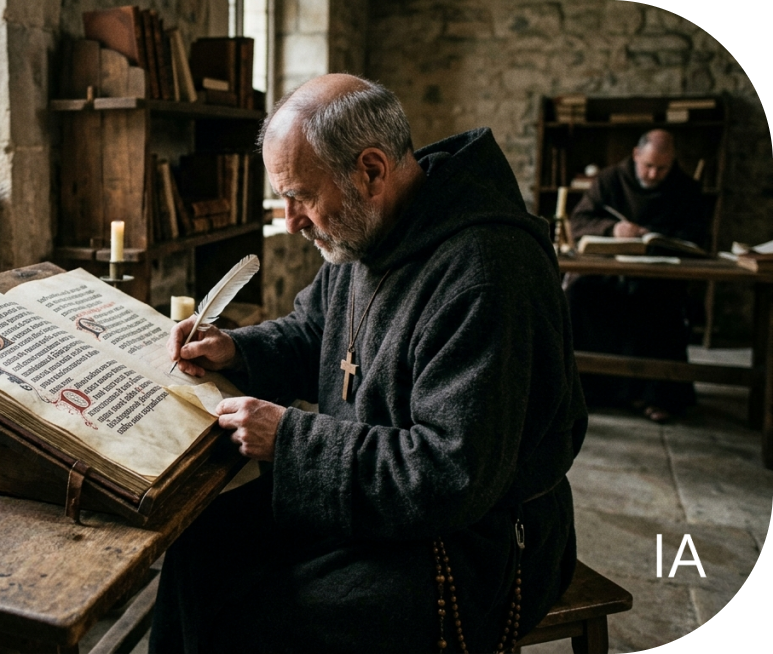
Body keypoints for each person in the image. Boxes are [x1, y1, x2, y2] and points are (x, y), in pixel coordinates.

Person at [154, 74, 586, 654]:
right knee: (200, 543)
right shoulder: (365, 229)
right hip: (373, 500)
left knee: (263, 619)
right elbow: (316, 335)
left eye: (301, 196)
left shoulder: (488, 270)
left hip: (474, 543)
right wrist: (237, 349)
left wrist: (288, 440)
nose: (291, 220)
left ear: (372, 171)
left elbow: (449, 474)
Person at [565, 129, 710, 423]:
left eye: (662, 168)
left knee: (661, 307)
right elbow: (579, 221)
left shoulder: (686, 188)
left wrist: (656, 236)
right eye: (648, 165)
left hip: (657, 276)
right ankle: (585, 391)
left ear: (673, 163)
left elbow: (698, 236)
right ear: (635, 155)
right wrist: (612, 229)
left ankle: (654, 396)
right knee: (577, 297)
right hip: (608, 274)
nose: (654, 174)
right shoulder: (608, 180)